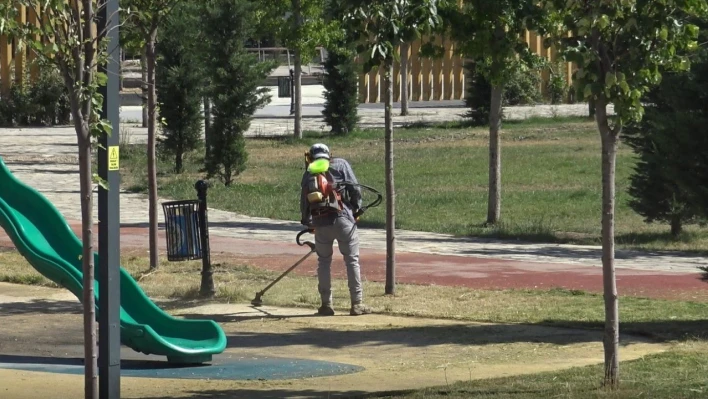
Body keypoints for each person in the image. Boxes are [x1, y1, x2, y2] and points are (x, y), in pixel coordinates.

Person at [300, 143, 372, 316]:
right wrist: (356, 209)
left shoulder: (309, 172)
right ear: (329, 155)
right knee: (351, 260)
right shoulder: (341, 165)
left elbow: (304, 202)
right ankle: (357, 304)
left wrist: (309, 222)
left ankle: (326, 305)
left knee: (323, 262)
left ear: (310, 157)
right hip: (343, 220)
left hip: (320, 223)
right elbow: (355, 189)